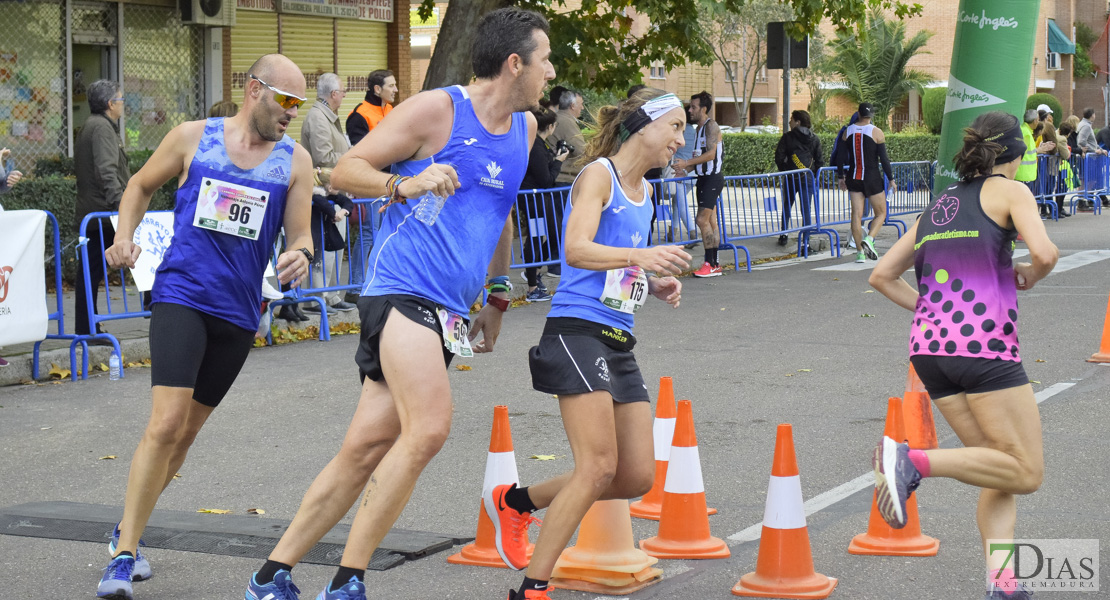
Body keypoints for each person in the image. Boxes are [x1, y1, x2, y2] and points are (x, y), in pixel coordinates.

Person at [243, 9, 554, 600]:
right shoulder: (438, 110)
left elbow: (501, 217)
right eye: (546, 60)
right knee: (430, 428)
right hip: (401, 289)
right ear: (515, 63)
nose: (551, 72)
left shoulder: (525, 131)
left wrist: (496, 296)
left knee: (363, 450)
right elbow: (345, 171)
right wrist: (402, 184)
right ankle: (348, 581)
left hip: (450, 309)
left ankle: (270, 574)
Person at [96, 53, 313, 600]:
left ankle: (128, 527)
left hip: (239, 311)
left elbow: (301, 235)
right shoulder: (194, 137)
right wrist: (124, 237)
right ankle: (124, 557)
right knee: (166, 422)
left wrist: (302, 255)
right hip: (182, 294)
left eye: (299, 104)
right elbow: (140, 186)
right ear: (253, 89)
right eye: (285, 100)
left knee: (187, 433)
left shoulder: (295, 161)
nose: (291, 113)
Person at [485, 88, 690, 600]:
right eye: (676, 126)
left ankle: (515, 501)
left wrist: (653, 278)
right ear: (644, 124)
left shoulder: (646, 191)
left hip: (618, 338)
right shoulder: (598, 176)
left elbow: (618, 267)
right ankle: (531, 588)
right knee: (597, 466)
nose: (680, 140)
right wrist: (638, 258)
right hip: (576, 331)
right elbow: (576, 250)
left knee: (634, 476)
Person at [869, 111, 1057, 600]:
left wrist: (930, 309)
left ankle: (1005, 586)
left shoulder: (936, 206)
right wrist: (1029, 277)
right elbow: (1046, 253)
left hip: (930, 351)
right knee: (1027, 471)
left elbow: (881, 276)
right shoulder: (1012, 191)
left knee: (998, 469)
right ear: (1014, 155)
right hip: (983, 347)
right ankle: (912, 462)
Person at [74, 79, 131, 342]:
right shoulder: (102, 129)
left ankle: (87, 327)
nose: (123, 105)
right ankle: (87, 328)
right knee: (92, 270)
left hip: (96, 212)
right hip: (102, 215)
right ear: (111, 104)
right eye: (121, 100)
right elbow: (107, 171)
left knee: (91, 271)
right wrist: (123, 207)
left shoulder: (94, 126)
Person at [300, 72, 358, 316]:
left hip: (332, 190)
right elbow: (323, 157)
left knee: (334, 247)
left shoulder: (327, 116)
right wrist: (352, 156)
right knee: (323, 248)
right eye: (343, 91)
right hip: (322, 193)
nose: (344, 95)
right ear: (334, 94)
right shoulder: (318, 117)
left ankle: (330, 295)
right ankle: (316, 299)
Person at [518, 105, 569, 302]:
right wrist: (558, 162)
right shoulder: (536, 147)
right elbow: (546, 179)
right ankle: (532, 283)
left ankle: (534, 270)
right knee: (537, 236)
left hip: (539, 199)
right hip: (534, 199)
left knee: (555, 233)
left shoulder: (539, 144)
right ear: (550, 126)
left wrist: (555, 158)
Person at [834, 102, 895, 264]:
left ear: (858, 114)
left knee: (856, 215)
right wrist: (891, 179)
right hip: (872, 177)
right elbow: (884, 159)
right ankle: (869, 238)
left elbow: (840, 156)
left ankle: (860, 254)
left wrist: (841, 176)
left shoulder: (848, 132)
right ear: (871, 116)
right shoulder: (877, 132)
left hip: (854, 178)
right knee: (881, 213)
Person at [674, 90, 724, 277]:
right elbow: (701, 158)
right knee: (711, 221)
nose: (690, 111)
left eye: (693, 107)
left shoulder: (712, 127)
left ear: (704, 109)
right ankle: (715, 263)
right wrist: (686, 170)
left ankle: (710, 263)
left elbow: (711, 155)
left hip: (712, 178)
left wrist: (686, 163)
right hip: (703, 178)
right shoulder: (698, 129)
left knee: (701, 220)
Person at [774, 109, 823, 248]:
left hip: (790, 176)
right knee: (806, 209)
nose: (789, 122)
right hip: (807, 177)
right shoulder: (814, 138)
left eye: (791, 119)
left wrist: (785, 170)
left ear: (798, 122)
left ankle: (784, 234)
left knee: (787, 205)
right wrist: (815, 176)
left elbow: (779, 156)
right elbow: (819, 161)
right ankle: (805, 241)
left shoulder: (788, 137)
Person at [346, 69, 396, 147]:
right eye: (391, 86)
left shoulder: (390, 109)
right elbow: (360, 150)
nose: (396, 90)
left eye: (395, 85)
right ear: (377, 89)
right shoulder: (359, 115)